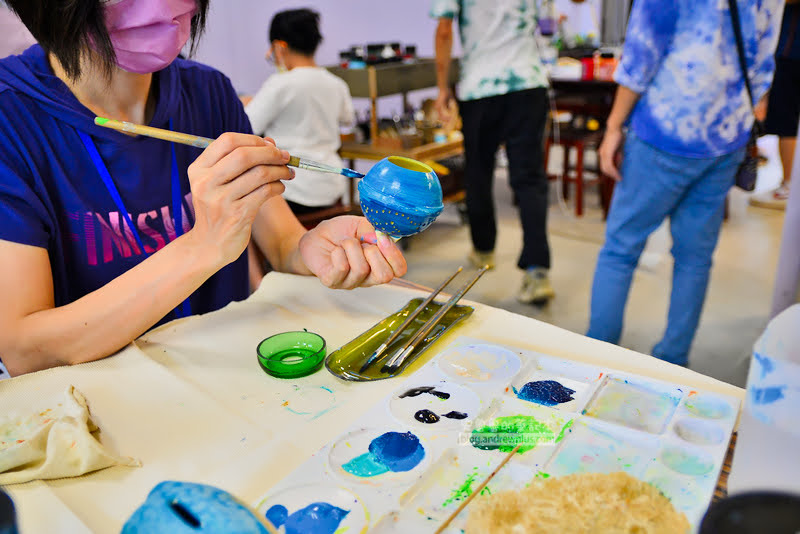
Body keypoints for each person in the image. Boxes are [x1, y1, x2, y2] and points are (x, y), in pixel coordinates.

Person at [0, 0, 407, 377]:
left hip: (227, 377)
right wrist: (203, 246)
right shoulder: (11, 121)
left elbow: (282, 242)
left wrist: (312, 250)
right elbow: (25, 350)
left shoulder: (209, 92)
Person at [589, 0, 784, 366]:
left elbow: (640, 58)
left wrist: (614, 126)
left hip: (662, 133)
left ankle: (598, 354)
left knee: (621, 248)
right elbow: (763, 63)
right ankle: (673, 359)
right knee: (694, 259)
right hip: (724, 139)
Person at [431, 0, 555, 305]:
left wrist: (442, 87)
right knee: (529, 177)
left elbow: (444, 30)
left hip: (480, 87)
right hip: (528, 83)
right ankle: (537, 271)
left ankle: (484, 251)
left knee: (478, 171)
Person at [245, 9, 354, 215]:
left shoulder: (280, 84)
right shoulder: (336, 84)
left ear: (279, 47)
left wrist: (248, 102)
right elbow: (348, 119)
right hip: (331, 187)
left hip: (293, 190)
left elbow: (248, 125)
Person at [751, 0, 800, 210]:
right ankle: (789, 182)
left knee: (786, 121)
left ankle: (789, 184)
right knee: (785, 120)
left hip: (792, 53)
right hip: (787, 50)